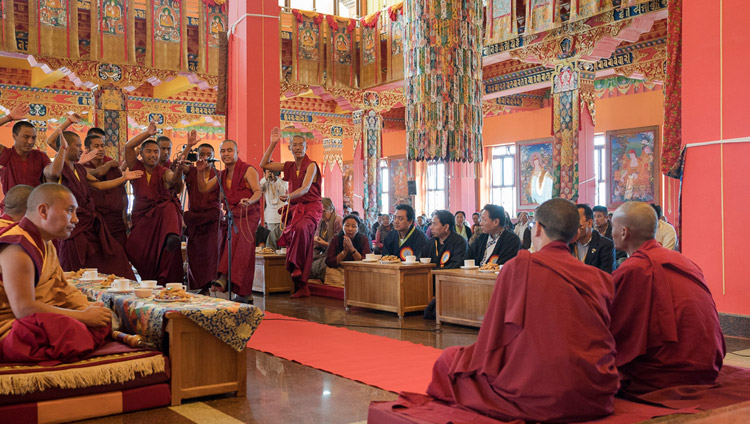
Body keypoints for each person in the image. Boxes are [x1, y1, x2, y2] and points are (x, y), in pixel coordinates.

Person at [426, 198, 619, 422]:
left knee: (448, 360)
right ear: (575, 236)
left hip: (539, 391)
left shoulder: (518, 267)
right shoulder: (599, 279)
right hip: (594, 392)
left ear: (536, 228)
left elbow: (492, 338)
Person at [609, 202, 724, 394]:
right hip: (710, 364)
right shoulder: (685, 262)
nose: (610, 233)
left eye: (612, 227)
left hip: (666, 371)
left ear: (623, 232)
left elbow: (617, 329)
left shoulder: (633, 269)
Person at [0, 183, 112, 363]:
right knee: (69, 329)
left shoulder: (45, 242)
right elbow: (24, 309)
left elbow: (62, 287)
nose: (75, 219)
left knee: (100, 319)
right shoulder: (18, 246)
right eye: (70, 211)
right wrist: (83, 316)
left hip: (35, 319)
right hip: (9, 325)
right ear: (43, 211)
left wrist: (87, 308)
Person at [44, 131, 140, 279]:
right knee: (76, 267)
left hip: (90, 224)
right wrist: (61, 149)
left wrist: (124, 178)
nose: (82, 150)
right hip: (72, 226)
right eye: (78, 145)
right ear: (66, 148)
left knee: (116, 256)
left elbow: (100, 186)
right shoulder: (51, 168)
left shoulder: (79, 169)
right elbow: (54, 173)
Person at [195, 139, 261, 301]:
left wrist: (249, 201)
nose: (226, 154)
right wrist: (200, 171)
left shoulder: (248, 170)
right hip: (233, 216)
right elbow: (203, 188)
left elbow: (258, 192)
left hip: (249, 215)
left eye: (229, 150)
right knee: (243, 252)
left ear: (237, 152)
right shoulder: (221, 175)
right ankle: (246, 293)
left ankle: (224, 277)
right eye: (223, 151)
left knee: (238, 245)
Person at [261, 129, 322, 298]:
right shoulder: (289, 166)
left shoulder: (311, 165)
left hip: (311, 206)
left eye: (300, 145)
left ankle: (297, 268)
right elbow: (264, 164)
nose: (297, 148)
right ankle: (300, 282)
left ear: (305, 147)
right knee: (295, 235)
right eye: (294, 145)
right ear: (290, 147)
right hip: (296, 208)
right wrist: (273, 143)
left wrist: (289, 196)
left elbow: (306, 188)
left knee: (302, 229)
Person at [123, 122, 184, 285]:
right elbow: (128, 147)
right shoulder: (136, 166)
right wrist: (148, 133)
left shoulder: (163, 171)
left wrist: (178, 172)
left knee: (169, 206)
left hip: (160, 216)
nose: (153, 155)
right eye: (149, 151)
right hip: (142, 217)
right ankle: (149, 277)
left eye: (156, 152)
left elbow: (171, 179)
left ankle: (171, 237)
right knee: (133, 248)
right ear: (141, 154)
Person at [182, 140, 221, 293]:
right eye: (201, 155)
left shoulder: (218, 174)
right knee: (195, 254)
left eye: (208, 155)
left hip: (212, 219)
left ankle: (209, 284)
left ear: (213, 157)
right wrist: (189, 147)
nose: (205, 158)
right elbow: (179, 164)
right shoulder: (191, 171)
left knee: (211, 253)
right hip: (195, 219)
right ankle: (201, 287)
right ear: (197, 156)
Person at [82, 129, 129, 249]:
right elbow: (97, 174)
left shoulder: (112, 165)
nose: (101, 149)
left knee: (120, 256)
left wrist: (124, 215)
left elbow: (122, 193)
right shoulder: (81, 166)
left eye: (103, 146)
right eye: (96, 146)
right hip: (94, 221)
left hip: (115, 221)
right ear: (87, 149)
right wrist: (108, 165)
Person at [0, 105, 51, 211]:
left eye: (33, 138)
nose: (30, 142)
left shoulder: (40, 156)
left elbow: (51, 175)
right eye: (26, 137)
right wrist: (9, 117)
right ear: (14, 136)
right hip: (11, 210)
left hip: (35, 210)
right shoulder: (6, 155)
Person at [569, 204, 616, 273]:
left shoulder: (605, 245)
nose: (575, 229)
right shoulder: (568, 243)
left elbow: (606, 277)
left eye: (578, 226)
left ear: (590, 223)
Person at [325, 214, 371, 282]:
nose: (350, 229)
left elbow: (365, 261)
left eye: (353, 226)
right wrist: (344, 252)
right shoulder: (336, 239)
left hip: (358, 270)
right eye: (347, 225)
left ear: (358, 229)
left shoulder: (363, 239)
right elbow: (329, 261)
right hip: (338, 269)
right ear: (342, 227)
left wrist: (352, 249)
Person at [310, 198, 342, 281]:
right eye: (319, 211)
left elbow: (340, 244)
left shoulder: (338, 221)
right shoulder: (321, 222)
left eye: (323, 211)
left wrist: (325, 244)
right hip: (323, 251)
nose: (321, 214)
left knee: (321, 263)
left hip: (336, 253)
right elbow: (316, 241)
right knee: (308, 260)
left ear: (331, 209)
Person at [260, 167, 287, 234]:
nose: (271, 173)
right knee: (271, 240)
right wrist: (266, 178)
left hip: (282, 216)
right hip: (270, 217)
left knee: (282, 240)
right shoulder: (264, 182)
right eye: (269, 171)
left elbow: (284, 192)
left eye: (272, 171)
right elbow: (260, 190)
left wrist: (276, 180)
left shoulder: (283, 181)